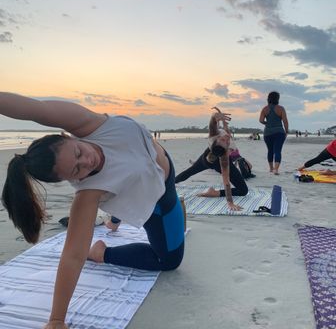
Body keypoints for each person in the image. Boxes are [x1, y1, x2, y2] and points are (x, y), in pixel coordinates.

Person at [0, 92, 185, 329]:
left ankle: (114, 219)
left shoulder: (92, 125)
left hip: (157, 170)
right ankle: (100, 252)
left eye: (78, 152)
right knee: (169, 261)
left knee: (124, 184)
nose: (88, 162)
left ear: (69, 135)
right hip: (156, 200)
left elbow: (38, 109)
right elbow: (72, 256)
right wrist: (56, 320)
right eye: (77, 171)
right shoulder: (88, 193)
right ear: (70, 180)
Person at [175, 108, 246, 205]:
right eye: (225, 141)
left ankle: (213, 192)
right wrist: (230, 203)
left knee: (243, 191)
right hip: (207, 159)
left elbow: (213, 121)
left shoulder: (218, 142)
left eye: (226, 141)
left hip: (210, 157)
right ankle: (171, 183)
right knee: (189, 172)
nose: (227, 139)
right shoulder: (219, 146)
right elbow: (226, 182)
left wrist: (217, 115)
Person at [259, 91, 288, 175]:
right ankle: (276, 169)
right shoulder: (281, 108)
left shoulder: (265, 109)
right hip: (279, 132)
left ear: (268, 98)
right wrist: (286, 131)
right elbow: (285, 121)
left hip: (267, 133)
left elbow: (260, 120)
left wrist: (267, 123)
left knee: (270, 150)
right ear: (277, 99)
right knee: (277, 150)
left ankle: (271, 168)